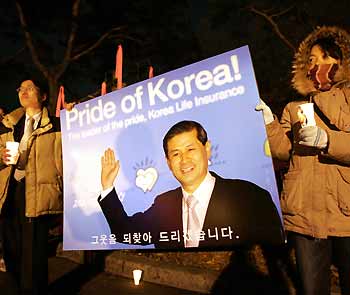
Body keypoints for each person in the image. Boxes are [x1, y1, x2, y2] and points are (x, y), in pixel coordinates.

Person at [256, 26, 350, 295]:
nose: (315, 64)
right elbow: (285, 151)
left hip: (346, 214)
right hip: (305, 214)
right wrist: (269, 123)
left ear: (341, 61)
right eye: (311, 60)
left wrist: (326, 140)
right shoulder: (294, 107)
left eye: (323, 58)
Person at [98, 120, 284, 249]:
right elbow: (125, 232)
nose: (184, 160)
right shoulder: (163, 203)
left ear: (207, 149)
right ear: (168, 162)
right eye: (176, 154)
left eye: (191, 149)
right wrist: (107, 186)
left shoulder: (250, 196)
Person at [0, 78, 63, 294]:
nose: (23, 92)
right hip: (10, 192)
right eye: (20, 88)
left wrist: (75, 116)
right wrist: (1, 156)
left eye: (29, 88)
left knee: (34, 254)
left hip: (38, 191)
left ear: (43, 95)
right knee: (11, 249)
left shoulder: (57, 125)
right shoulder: (8, 125)